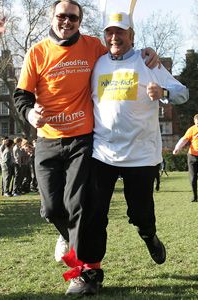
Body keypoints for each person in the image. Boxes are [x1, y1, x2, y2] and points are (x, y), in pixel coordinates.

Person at [14, 0, 160, 291]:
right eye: (61, 16)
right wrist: (31, 113)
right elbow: (22, 96)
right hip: (48, 139)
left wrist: (148, 53)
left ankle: (87, 275)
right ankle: (68, 235)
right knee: (52, 209)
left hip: (83, 139)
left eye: (73, 17)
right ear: (51, 17)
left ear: (80, 21)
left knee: (79, 204)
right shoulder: (37, 52)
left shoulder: (94, 47)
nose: (67, 22)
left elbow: (122, 51)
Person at [62, 10, 189, 295]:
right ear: (105, 36)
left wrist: (164, 93)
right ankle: (92, 273)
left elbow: (183, 93)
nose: (114, 37)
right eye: (110, 32)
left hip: (141, 157)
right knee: (95, 214)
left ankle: (149, 235)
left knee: (140, 213)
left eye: (121, 32)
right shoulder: (97, 64)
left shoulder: (147, 62)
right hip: (102, 152)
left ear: (131, 36)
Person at [173, 114, 198, 202]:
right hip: (192, 156)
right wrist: (177, 148)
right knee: (193, 177)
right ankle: (195, 196)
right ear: (195, 122)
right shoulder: (191, 129)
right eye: (197, 124)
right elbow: (184, 139)